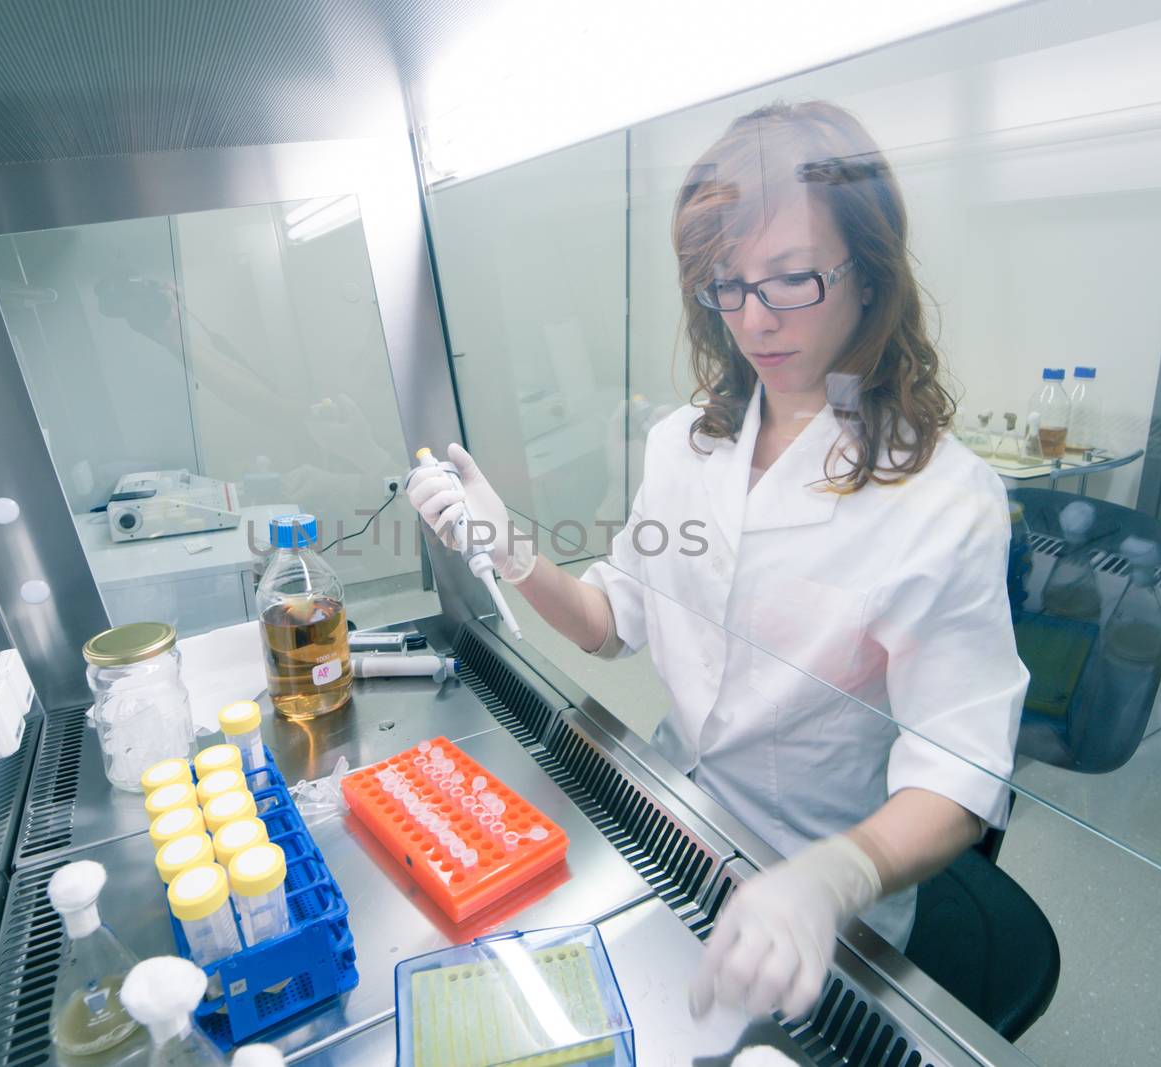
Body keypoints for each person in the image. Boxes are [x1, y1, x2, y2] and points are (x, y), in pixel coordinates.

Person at [409, 101, 1027, 1021]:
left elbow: (959, 775)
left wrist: (832, 876)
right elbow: (612, 620)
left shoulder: (945, 498)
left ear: (870, 274)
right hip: (675, 820)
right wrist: (512, 546)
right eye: (727, 286)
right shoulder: (685, 445)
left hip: (819, 895)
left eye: (790, 280)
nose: (755, 319)